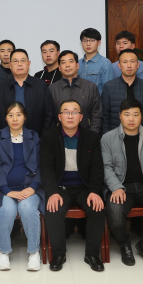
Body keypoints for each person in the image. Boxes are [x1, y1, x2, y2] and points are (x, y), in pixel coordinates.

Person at [101, 98, 143, 267]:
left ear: (141, 116)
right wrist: (116, 187)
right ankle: (125, 245)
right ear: (120, 116)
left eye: (135, 114)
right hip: (121, 186)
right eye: (127, 114)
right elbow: (106, 168)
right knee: (115, 209)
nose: (131, 119)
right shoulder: (108, 138)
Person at [40, 100, 106, 272]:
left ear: (81, 117)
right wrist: (52, 192)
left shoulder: (91, 138)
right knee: (53, 208)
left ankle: (92, 254)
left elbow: (97, 168)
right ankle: (58, 254)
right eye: (66, 112)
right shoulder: (48, 137)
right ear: (59, 116)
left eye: (74, 112)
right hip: (61, 187)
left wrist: (94, 191)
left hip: (84, 187)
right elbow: (46, 168)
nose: (70, 116)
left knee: (97, 208)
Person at [0, 102, 45, 271]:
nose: (15, 119)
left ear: (25, 117)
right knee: (6, 210)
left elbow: (41, 165)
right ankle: (3, 252)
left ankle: (34, 253)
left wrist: (33, 187)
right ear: (6, 118)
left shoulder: (33, 136)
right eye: (11, 115)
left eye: (18, 115)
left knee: (27, 208)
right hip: (4, 189)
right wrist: (7, 191)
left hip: (29, 187)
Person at [0, 49, 52, 136]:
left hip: (36, 138)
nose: (19, 64)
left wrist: (44, 139)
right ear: (10, 65)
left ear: (29, 63)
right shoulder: (1, 88)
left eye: (23, 61)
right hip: (6, 138)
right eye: (15, 61)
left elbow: (49, 115)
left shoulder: (41, 86)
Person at [101, 49, 143, 134]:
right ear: (119, 65)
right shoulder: (109, 87)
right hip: (116, 136)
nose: (129, 66)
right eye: (125, 62)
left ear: (138, 65)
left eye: (132, 61)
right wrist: (107, 137)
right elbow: (105, 116)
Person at [46, 50, 103, 134]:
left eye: (71, 61)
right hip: (59, 137)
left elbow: (97, 115)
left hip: (87, 136)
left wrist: (91, 136)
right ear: (59, 68)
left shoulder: (91, 87)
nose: (67, 65)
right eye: (63, 62)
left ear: (77, 65)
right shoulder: (52, 89)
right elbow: (49, 118)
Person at [78, 27, 112, 94]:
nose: (88, 44)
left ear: (99, 42)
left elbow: (108, 89)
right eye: (85, 41)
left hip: (97, 100)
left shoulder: (105, 63)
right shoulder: (78, 63)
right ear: (81, 43)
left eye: (92, 40)